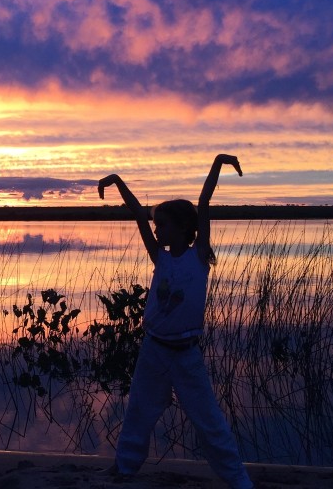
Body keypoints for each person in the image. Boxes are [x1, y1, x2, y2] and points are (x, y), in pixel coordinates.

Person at [98, 154, 252, 489]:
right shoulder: (160, 257)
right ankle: (124, 468)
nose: (156, 228)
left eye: (163, 224)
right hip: (154, 350)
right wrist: (116, 180)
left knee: (208, 420)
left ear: (183, 227)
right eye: (157, 224)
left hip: (186, 355)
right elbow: (139, 214)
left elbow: (204, 201)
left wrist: (219, 162)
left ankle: (239, 480)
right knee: (138, 411)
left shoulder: (198, 258)